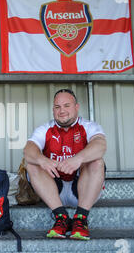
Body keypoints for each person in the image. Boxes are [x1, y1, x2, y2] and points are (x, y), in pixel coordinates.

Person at [23, 89, 106, 240]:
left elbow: (100, 146)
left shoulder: (88, 126)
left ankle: (80, 219)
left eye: (66, 105)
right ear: (53, 109)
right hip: (55, 192)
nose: (62, 111)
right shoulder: (45, 129)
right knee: (32, 163)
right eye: (57, 107)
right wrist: (42, 160)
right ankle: (61, 217)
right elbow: (28, 150)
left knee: (97, 161)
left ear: (76, 107)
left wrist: (78, 159)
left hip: (82, 190)